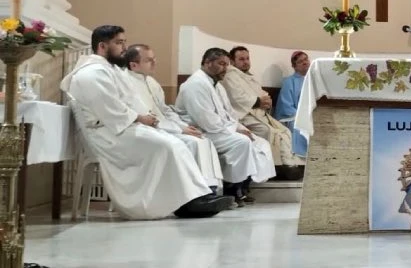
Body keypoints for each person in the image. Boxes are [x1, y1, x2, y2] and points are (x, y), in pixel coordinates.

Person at [60, 25, 232, 219]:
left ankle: (192, 199)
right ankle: (187, 203)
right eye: (119, 43)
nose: (124, 48)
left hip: (120, 127)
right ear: (102, 46)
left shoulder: (110, 70)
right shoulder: (91, 73)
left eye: (124, 42)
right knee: (169, 145)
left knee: (174, 143)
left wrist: (147, 118)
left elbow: (130, 101)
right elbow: (110, 109)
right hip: (108, 135)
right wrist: (140, 117)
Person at [175, 48, 277, 205]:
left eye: (227, 64)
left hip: (219, 129)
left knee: (260, 142)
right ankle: (231, 189)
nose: (225, 68)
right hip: (200, 131)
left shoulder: (217, 86)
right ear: (207, 63)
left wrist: (241, 128)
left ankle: (243, 185)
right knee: (242, 142)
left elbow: (230, 114)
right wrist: (235, 130)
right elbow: (206, 120)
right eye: (221, 64)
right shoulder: (195, 84)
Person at [123, 44, 224, 189]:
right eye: (149, 60)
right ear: (134, 65)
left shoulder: (151, 82)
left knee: (202, 140)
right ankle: (195, 191)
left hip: (167, 127)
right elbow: (150, 118)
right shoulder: (127, 83)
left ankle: (210, 189)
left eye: (154, 59)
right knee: (193, 143)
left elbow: (165, 110)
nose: (154, 63)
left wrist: (183, 125)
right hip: (151, 130)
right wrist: (179, 129)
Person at [221, 46, 306, 178]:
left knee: (285, 131)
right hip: (244, 116)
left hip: (259, 114)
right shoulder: (230, 76)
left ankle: (290, 164)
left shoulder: (248, 76)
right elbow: (237, 98)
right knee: (269, 131)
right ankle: (276, 167)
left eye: (247, 58)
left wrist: (267, 101)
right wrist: (258, 101)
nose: (246, 62)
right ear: (232, 61)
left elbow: (261, 93)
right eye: (241, 59)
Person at [275, 50, 310, 157]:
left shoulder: (313, 80)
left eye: (306, 59)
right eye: (300, 61)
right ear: (294, 66)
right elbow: (286, 106)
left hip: (311, 115)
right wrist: (303, 116)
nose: (305, 62)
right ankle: (302, 158)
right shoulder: (289, 82)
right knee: (301, 126)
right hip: (293, 116)